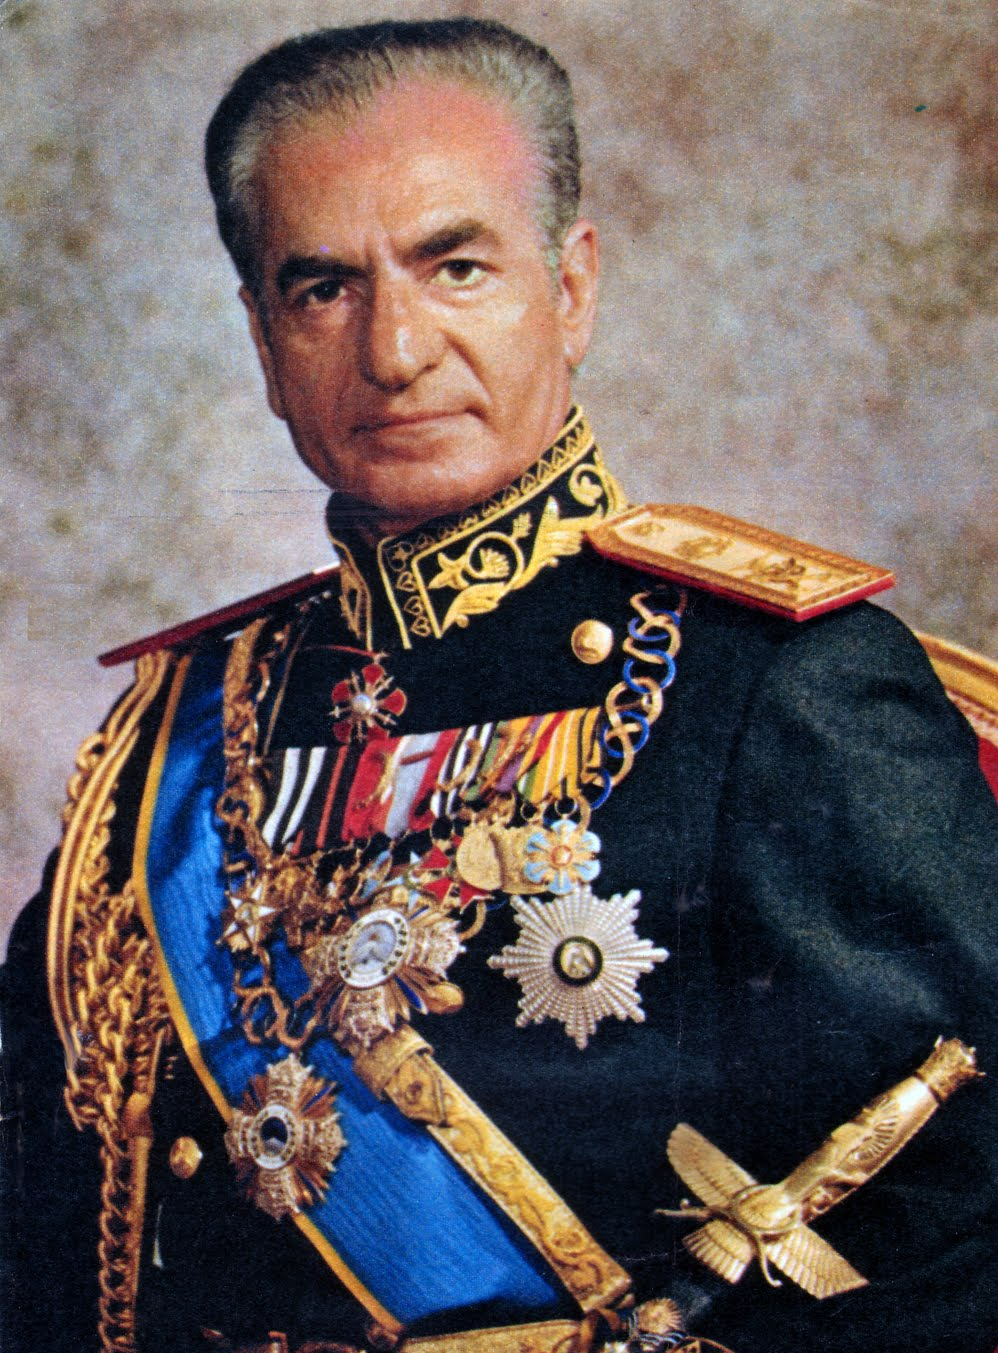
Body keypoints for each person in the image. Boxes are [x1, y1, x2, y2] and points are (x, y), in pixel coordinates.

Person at [2, 18, 996, 1353]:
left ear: (570, 289)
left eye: (455, 267)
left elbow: (960, 1233)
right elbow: (46, 1224)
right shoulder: (172, 740)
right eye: (323, 289)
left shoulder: (773, 684)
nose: (395, 350)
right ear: (262, 338)